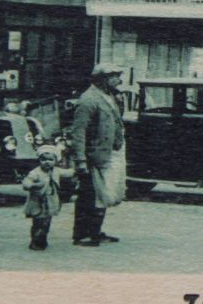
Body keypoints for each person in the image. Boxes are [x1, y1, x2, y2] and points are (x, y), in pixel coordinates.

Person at [70, 63, 127, 246]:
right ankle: (81, 235)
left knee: (103, 195)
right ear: (102, 78)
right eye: (115, 76)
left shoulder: (111, 97)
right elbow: (79, 132)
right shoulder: (88, 100)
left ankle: (95, 232)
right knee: (89, 195)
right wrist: (80, 160)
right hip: (94, 156)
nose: (119, 80)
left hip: (109, 153)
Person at [20, 145, 62, 251]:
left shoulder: (56, 171)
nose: (47, 162)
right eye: (43, 159)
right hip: (38, 202)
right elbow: (27, 181)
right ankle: (35, 241)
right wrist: (31, 185)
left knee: (46, 223)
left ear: (56, 161)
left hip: (50, 202)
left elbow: (69, 172)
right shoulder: (36, 172)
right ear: (39, 160)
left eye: (50, 159)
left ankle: (42, 239)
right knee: (37, 222)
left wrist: (77, 169)